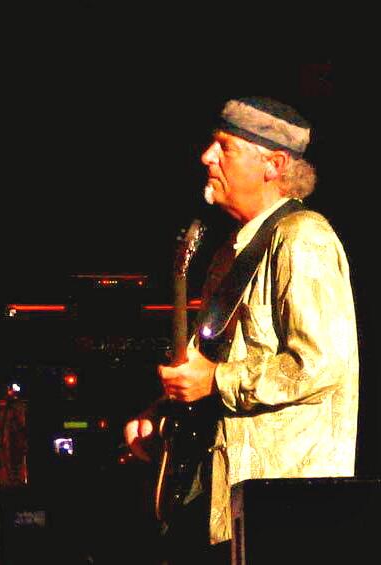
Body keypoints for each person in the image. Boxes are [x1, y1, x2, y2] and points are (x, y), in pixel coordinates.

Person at [124, 97, 358, 564]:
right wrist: (167, 410)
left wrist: (216, 380)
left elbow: (321, 364)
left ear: (274, 164)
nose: (206, 156)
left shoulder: (303, 237)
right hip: (225, 503)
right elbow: (213, 364)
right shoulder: (232, 251)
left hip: (282, 514)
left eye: (225, 147)